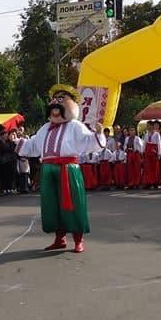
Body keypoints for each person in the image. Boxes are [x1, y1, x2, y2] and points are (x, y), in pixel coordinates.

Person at [18, 85, 106, 253]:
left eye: (61, 99)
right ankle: (60, 238)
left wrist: (98, 134)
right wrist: (20, 142)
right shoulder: (45, 128)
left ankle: (78, 240)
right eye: (54, 99)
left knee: (72, 204)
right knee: (52, 205)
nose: (56, 103)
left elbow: (88, 142)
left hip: (68, 168)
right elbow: (34, 145)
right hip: (48, 169)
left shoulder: (75, 126)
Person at [142, 121, 161, 188]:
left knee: (154, 167)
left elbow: (159, 144)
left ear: (151, 126)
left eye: (148, 125)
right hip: (148, 151)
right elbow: (144, 143)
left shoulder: (156, 134)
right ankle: (148, 182)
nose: (147, 127)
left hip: (154, 151)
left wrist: (159, 153)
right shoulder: (146, 134)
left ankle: (155, 182)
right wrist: (143, 151)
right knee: (148, 168)